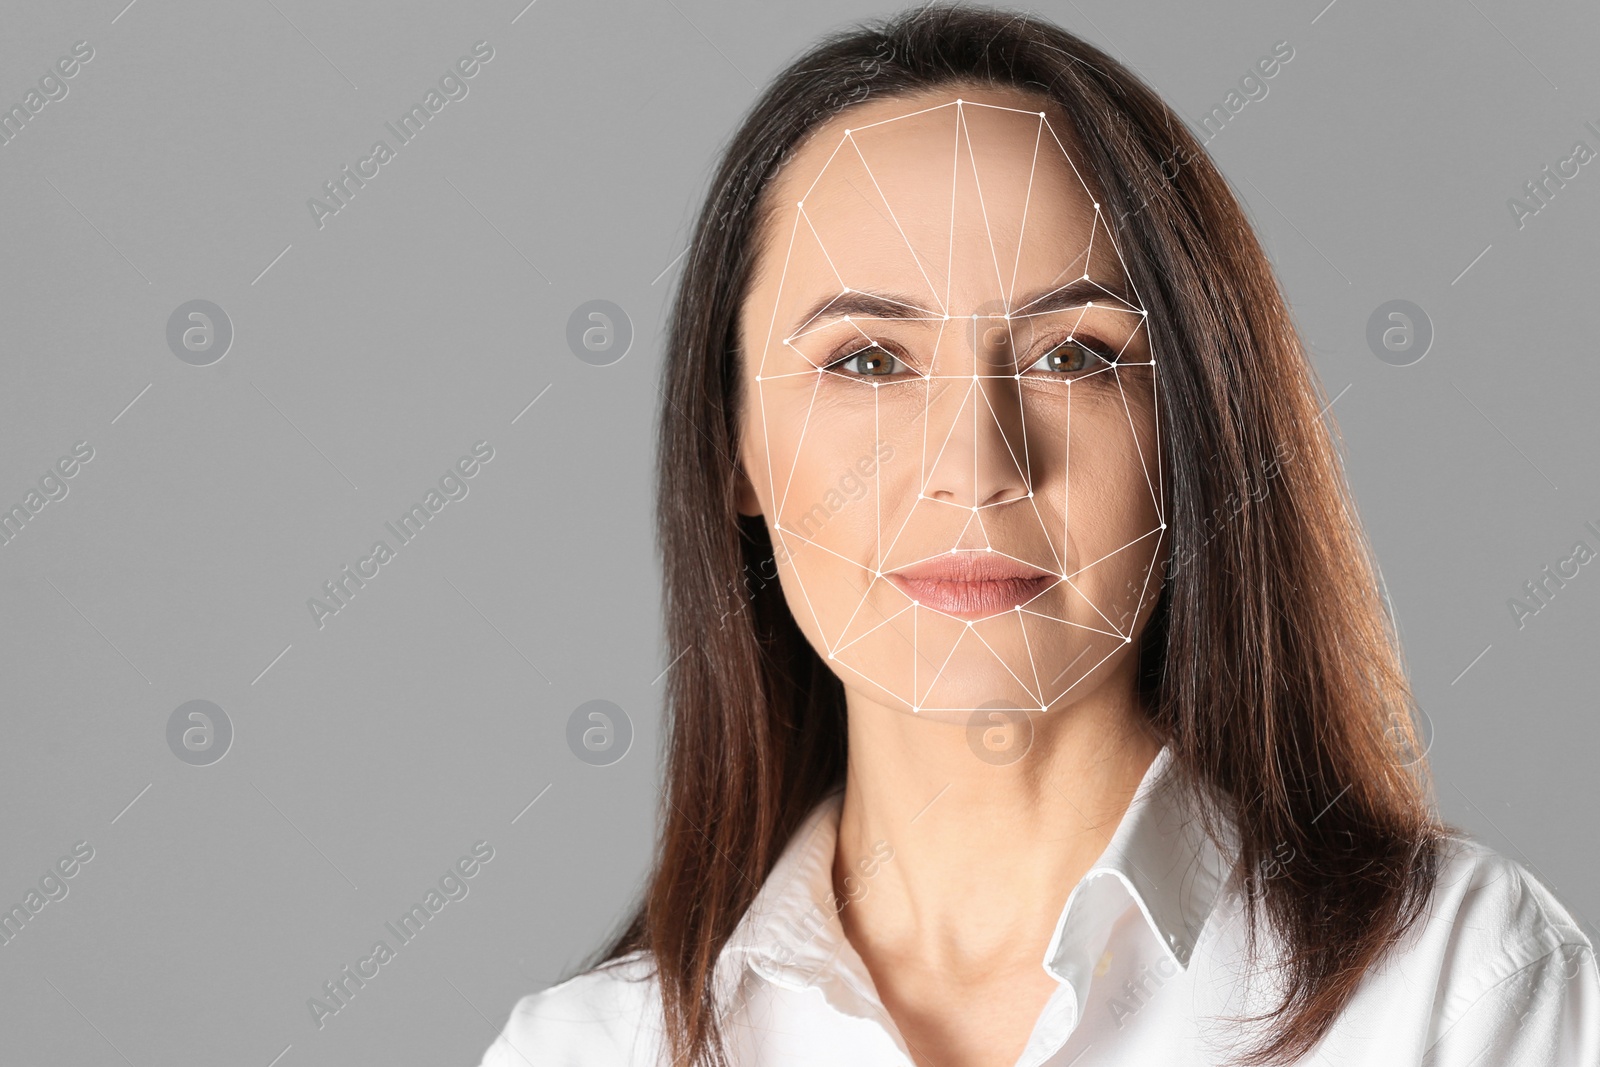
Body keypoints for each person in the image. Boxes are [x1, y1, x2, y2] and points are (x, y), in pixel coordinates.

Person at [480, 4, 1598, 1064]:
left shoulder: (1460, 989)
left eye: (1073, 355)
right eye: (867, 359)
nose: (976, 468)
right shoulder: (587, 1049)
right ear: (733, 448)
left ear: (1196, 427)